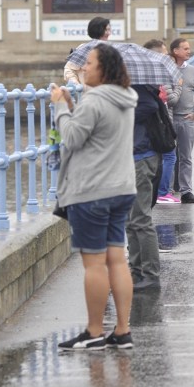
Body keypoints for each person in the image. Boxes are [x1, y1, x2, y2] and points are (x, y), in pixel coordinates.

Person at [51, 45, 135, 350]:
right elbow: (97, 133)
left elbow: (72, 138)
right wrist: (75, 107)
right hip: (122, 188)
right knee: (117, 260)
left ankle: (94, 332)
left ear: (105, 69)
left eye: (89, 63)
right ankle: (122, 330)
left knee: (94, 265)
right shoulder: (126, 98)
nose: (84, 68)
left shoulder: (95, 99)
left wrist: (60, 107)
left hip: (92, 191)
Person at [129, 77, 165, 291]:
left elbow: (149, 106)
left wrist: (122, 115)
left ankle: (151, 275)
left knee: (141, 218)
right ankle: (135, 271)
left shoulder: (137, 87)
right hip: (133, 157)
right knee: (130, 220)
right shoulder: (127, 87)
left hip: (141, 157)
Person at [167, 38, 194, 204]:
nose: (189, 51)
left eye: (189, 48)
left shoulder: (192, 70)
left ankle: (186, 191)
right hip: (169, 118)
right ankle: (166, 191)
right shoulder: (167, 70)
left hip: (187, 120)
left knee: (186, 157)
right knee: (168, 156)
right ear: (175, 51)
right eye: (185, 48)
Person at [144, 39, 181, 206]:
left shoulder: (143, 73)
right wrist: (179, 86)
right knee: (169, 155)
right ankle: (162, 192)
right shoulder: (159, 75)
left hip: (154, 122)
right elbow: (171, 99)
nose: (168, 58)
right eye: (165, 54)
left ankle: (158, 192)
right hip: (160, 123)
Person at [63, 17, 111, 84]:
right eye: (106, 30)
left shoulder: (112, 49)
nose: (108, 33)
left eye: (109, 30)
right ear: (98, 30)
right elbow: (69, 70)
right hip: (87, 91)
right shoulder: (83, 48)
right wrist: (77, 85)